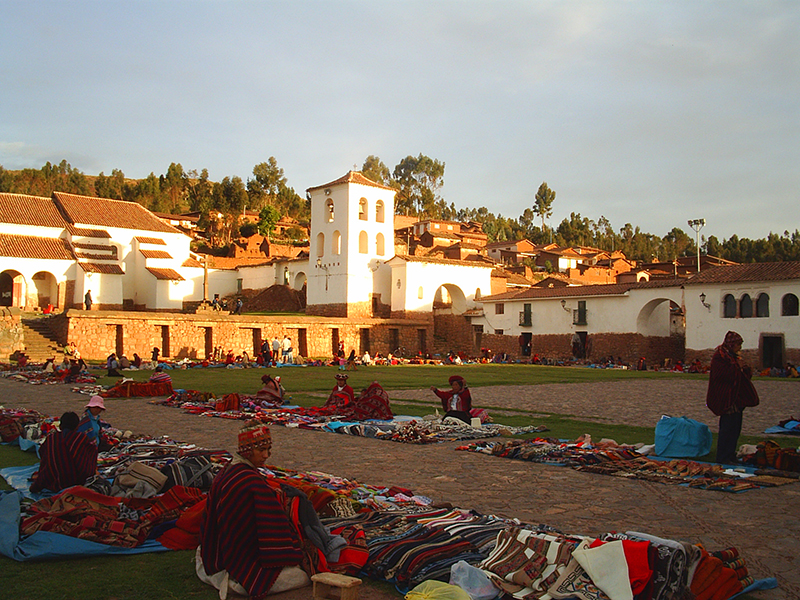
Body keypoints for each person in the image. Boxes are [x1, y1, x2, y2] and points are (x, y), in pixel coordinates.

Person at [198, 422, 307, 597]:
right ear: (247, 451)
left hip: (216, 551)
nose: (266, 455)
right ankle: (241, 579)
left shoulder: (230, 470)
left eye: (268, 449)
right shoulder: (249, 481)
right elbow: (272, 525)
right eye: (261, 450)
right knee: (301, 576)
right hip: (238, 558)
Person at [706, 331, 760, 464]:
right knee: (727, 429)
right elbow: (721, 376)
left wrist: (745, 369)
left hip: (736, 398)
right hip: (726, 398)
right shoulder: (720, 357)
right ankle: (723, 456)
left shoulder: (731, 356)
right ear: (731, 344)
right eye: (738, 345)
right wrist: (737, 368)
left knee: (735, 429)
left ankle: (730, 454)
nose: (740, 348)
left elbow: (739, 377)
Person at [30, 411, 98, 493]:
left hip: (53, 479)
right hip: (74, 481)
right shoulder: (79, 438)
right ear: (76, 426)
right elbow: (86, 462)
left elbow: (43, 454)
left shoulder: (52, 438)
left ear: (61, 425)